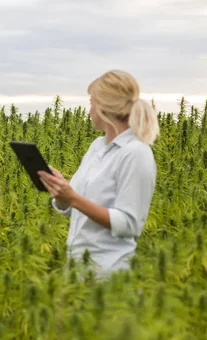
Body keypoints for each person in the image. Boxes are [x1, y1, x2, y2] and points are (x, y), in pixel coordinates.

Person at [38, 70, 159, 279]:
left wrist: (73, 198)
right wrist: (60, 191)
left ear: (105, 107)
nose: (89, 111)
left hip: (109, 273)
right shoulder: (97, 147)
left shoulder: (136, 153)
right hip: (77, 269)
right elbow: (72, 207)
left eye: (91, 103)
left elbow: (130, 224)